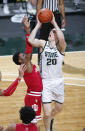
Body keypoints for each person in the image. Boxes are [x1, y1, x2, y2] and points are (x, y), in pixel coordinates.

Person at [28, 15, 66, 131]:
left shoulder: (60, 48)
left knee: (58, 109)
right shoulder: (43, 44)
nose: (52, 33)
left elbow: (62, 39)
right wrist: (38, 25)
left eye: (54, 33)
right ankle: (47, 129)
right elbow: (30, 40)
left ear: (57, 37)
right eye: (51, 32)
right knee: (47, 113)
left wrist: (55, 23)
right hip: (46, 82)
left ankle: (50, 118)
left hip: (58, 82)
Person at [12, 16, 43, 123]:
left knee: (33, 123)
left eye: (24, 55)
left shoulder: (27, 64)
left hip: (35, 95)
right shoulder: (27, 65)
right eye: (23, 56)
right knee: (33, 123)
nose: (25, 55)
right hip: (33, 96)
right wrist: (28, 31)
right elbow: (29, 48)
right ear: (20, 61)